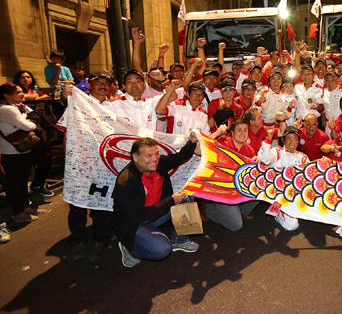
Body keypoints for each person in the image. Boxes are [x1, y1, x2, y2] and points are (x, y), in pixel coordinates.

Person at [112, 136, 200, 267]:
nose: (154, 159)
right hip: (134, 224)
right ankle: (130, 249)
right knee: (162, 249)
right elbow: (139, 216)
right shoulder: (126, 182)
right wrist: (171, 201)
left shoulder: (158, 164)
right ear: (135, 158)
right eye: (148, 155)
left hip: (154, 212)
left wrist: (192, 142)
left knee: (187, 198)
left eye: (157, 154)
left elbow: (180, 157)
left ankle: (180, 241)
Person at [58, 72, 116, 260]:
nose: (102, 86)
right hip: (81, 164)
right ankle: (78, 241)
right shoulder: (77, 104)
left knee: (102, 204)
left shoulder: (115, 108)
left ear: (111, 87)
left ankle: (100, 240)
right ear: (89, 86)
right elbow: (66, 131)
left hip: (103, 166)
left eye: (106, 83)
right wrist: (69, 158)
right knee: (77, 205)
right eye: (97, 82)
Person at [0, 84, 45, 223]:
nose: (22, 94)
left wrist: (26, 118)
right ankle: (19, 212)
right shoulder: (7, 109)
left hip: (21, 149)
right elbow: (28, 126)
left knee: (23, 180)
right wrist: (29, 121)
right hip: (12, 151)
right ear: (7, 96)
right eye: (18, 92)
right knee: (16, 183)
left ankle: (26, 207)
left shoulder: (17, 107)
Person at [205, 119, 259, 231]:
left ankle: (241, 211)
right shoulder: (222, 144)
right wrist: (217, 133)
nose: (243, 133)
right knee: (236, 226)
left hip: (237, 189)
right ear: (232, 133)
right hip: (222, 190)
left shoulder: (250, 150)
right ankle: (210, 210)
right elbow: (203, 145)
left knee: (261, 187)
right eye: (239, 130)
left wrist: (256, 166)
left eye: (245, 130)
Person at [258, 126, 309, 231]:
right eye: (288, 138)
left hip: (294, 194)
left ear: (298, 141)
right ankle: (277, 213)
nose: (292, 142)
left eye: (295, 138)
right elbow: (264, 159)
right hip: (277, 194)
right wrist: (268, 139)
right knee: (292, 225)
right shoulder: (276, 152)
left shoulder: (303, 157)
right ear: (283, 140)